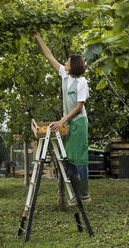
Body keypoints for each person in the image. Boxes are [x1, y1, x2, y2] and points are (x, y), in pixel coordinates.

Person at [33, 32, 90, 205]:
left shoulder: (82, 83)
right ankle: (75, 193)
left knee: (79, 158)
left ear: (73, 66)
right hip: (67, 122)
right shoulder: (64, 75)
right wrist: (38, 37)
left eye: (67, 61)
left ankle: (85, 194)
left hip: (79, 122)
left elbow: (79, 106)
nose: (64, 63)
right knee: (69, 158)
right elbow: (49, 55)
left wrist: (62, 120)